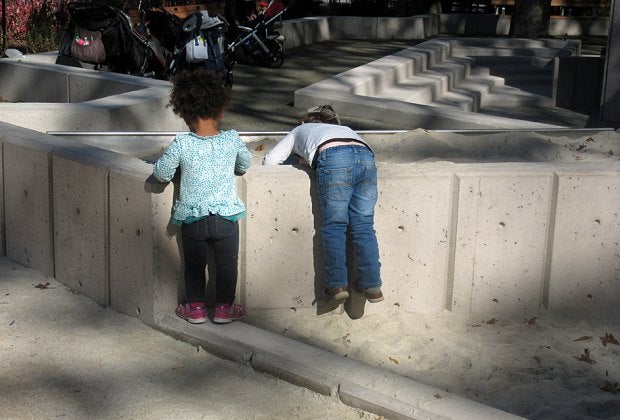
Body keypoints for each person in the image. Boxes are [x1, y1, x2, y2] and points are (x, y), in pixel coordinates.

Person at [152, 68, 252, 324]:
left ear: (185, 114)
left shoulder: (182, 143)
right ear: (220, 110)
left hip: (193, 218)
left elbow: (162, 174)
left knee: (194, 267)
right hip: (226, 218)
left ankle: (195, 309)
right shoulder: (231, 140)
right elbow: (244, 164)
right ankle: (223, 309)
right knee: (227, 266)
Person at [263, 105, 383, 305]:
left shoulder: (298, 130)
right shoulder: (346, 130)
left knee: (334, 225)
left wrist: (306, 159)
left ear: (303, 122)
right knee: (363, 226)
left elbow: (270, 161)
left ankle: (337, 284)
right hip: (365, 156)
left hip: (333, 157)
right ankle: (372, 285)